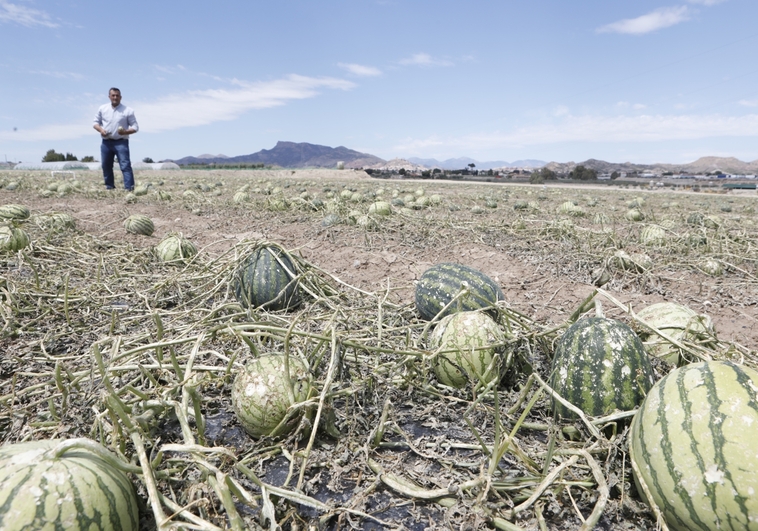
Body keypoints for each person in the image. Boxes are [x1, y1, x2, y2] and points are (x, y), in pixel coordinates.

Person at [93, 87, 139, 191]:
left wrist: (125, 132)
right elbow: (95, 123)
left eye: (117, 96)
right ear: (109, 96)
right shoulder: (102, 109)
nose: (115, 97)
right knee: (106, 165)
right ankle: (109, 187)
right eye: (113, 95)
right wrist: (101, 130)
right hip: (106, 142)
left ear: (121, 97)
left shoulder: (128, 111)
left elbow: (135, 127)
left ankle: (129, 188)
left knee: (125, 165)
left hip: (121, 142)